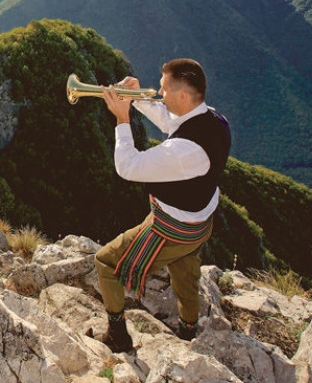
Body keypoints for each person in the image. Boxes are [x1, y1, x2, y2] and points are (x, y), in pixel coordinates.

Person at [92, 58, 231, 353]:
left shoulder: (183, 151)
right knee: (185, 273)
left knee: (106, 262)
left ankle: (117, 334)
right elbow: (171, 122)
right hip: (200, 223)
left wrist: (122, 118)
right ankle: (188, 330)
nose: (159, 92)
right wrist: (138, 96)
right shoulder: (214, 120)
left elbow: (128, 167)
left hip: (173, 228)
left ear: (182, 96)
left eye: (164, 89)